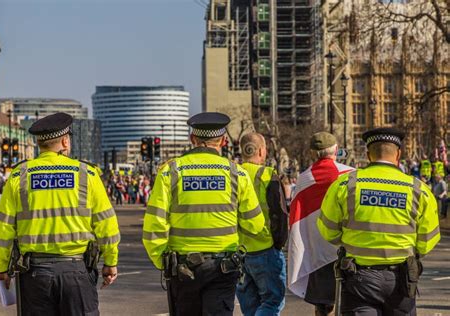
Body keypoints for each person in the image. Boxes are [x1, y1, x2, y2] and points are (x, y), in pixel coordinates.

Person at [0, 112, 121, 316]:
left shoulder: (19, 175)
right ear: (65, 141)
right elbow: (107, 225)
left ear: (39, 144)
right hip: (76, 271)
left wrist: (1, 268)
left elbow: (2, 229)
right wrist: (111, 263)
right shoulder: (87, 174)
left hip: (34, 275)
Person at [142, 112, 265, 316]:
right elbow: (255, 224)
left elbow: (154, 226)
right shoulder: (237, 174)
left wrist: (163, 261)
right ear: (223, 140)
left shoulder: (170, 172)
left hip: (182, 267)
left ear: (193, 139)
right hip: (223, 266)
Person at [318, 127, 440, 315]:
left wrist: (352, 242)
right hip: (401, 279)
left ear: (368, 155)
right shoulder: (419, 190)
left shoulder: (345, 184)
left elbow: (327, 229)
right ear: (398, 154)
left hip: (358, 278)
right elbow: (427, 240)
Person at [288, 132, 353, 316]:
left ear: (312, 153)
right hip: (346, 248)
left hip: (316, 252)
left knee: (322, 306)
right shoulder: (350, 175)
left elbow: (296, 220)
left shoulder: (303, 179)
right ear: (337, 150)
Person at [236, 132, 288, 316]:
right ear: (260, 151)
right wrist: (279, 243)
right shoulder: (268, 175)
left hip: (239, 252)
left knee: (249, 307)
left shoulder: (233, 175)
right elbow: (280, 214)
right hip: (265, 249)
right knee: (272, 302)